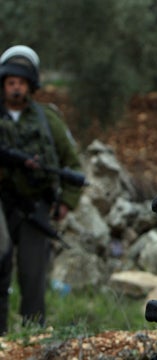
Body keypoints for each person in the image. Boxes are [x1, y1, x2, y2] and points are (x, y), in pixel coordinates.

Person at [0, 45, 83, 335]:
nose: (15, 88)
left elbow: (72, 162)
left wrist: (66, 202)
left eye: (21, 83)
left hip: (35, 207)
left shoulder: (48, 121)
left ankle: (32, 338)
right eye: (10, 82)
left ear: (30, 85)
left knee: (33, 275)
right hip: (2, 205)